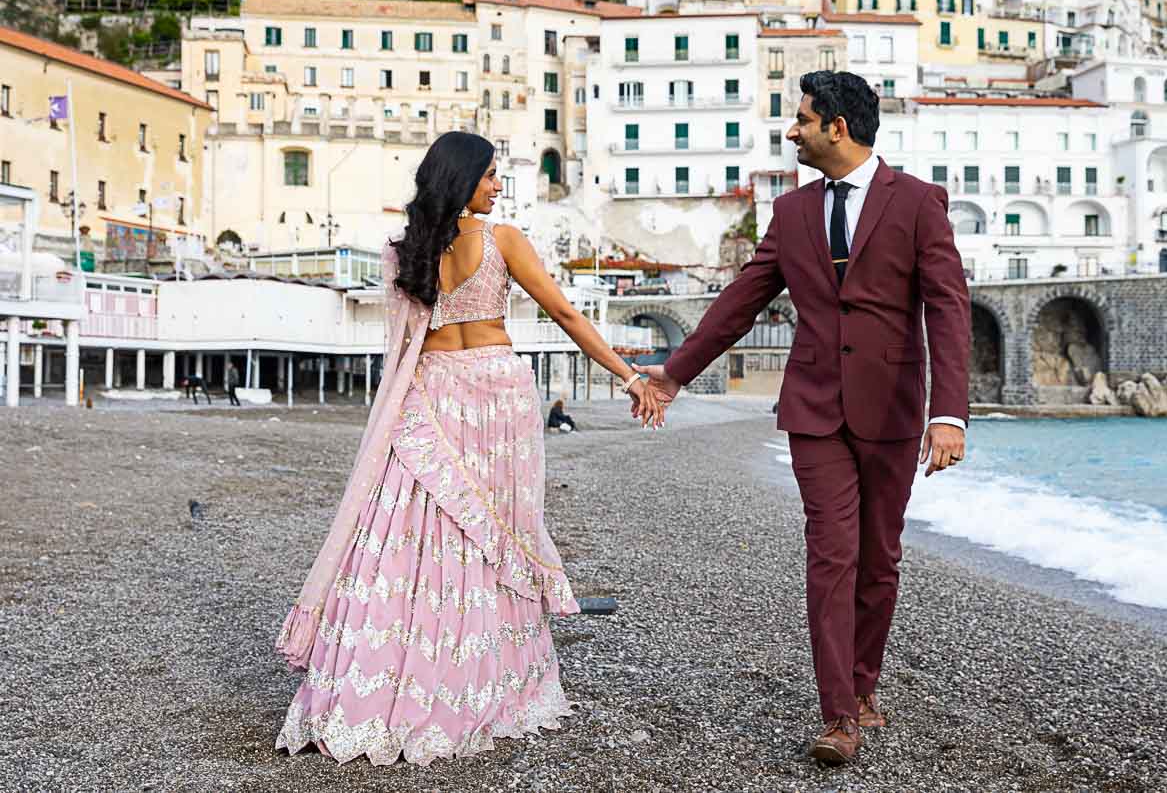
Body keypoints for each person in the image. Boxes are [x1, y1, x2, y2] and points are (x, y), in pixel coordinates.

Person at [275, 131, 664, 765]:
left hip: (428, 393)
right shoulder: (503, 240)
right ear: (461, 180)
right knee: (497, 531)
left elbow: (399, 348)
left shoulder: (404, 252)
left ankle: (386, 682)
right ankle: (474, 681)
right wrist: (628, 376)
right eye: (488, 176)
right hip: (495, 392)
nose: (496, 186)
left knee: (410, 533)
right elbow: (565, 317)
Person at [635, 71, 970, 765]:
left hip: (895, 410)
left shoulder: (917, 203)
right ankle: (839, 715)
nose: (793, 131)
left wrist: (951, 414)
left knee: (880, 560)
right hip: (815, 406)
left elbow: (948, 308)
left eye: (803, 120)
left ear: (837, 128)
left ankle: (865, 683)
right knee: (831, 555)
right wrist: (675, 373)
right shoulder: (790, 214)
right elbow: (741, 301)